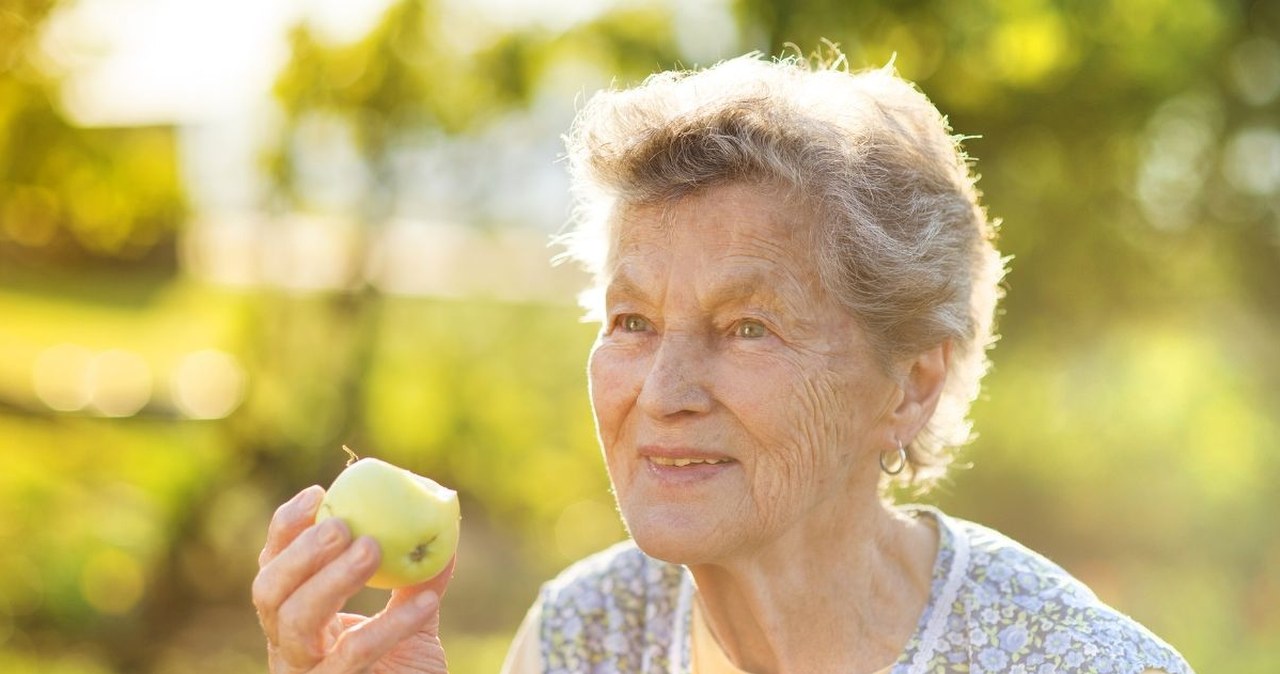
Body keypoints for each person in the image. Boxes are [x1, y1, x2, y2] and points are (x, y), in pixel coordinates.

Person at [252, 52, 1194, 674]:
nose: (664, 394)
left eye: (748, 328)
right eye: (631, 321)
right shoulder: (585, 637)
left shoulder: (1076, 661)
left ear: (911, 385)